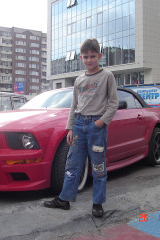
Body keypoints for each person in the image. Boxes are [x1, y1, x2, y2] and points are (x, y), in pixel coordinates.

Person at [44, 38, 119, 217]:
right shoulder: (79, 80)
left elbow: (113, 103)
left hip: (96, 128)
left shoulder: (107, 76)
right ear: (80, 57)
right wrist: (70, 128)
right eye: (85, 57)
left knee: (98, 167)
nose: (89, 60)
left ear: (99, 56)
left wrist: (100, 123)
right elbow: (74, 105)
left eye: (93, 56)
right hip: (79, 126)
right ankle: (64, 199)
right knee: (72, 164)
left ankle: (98, 203)